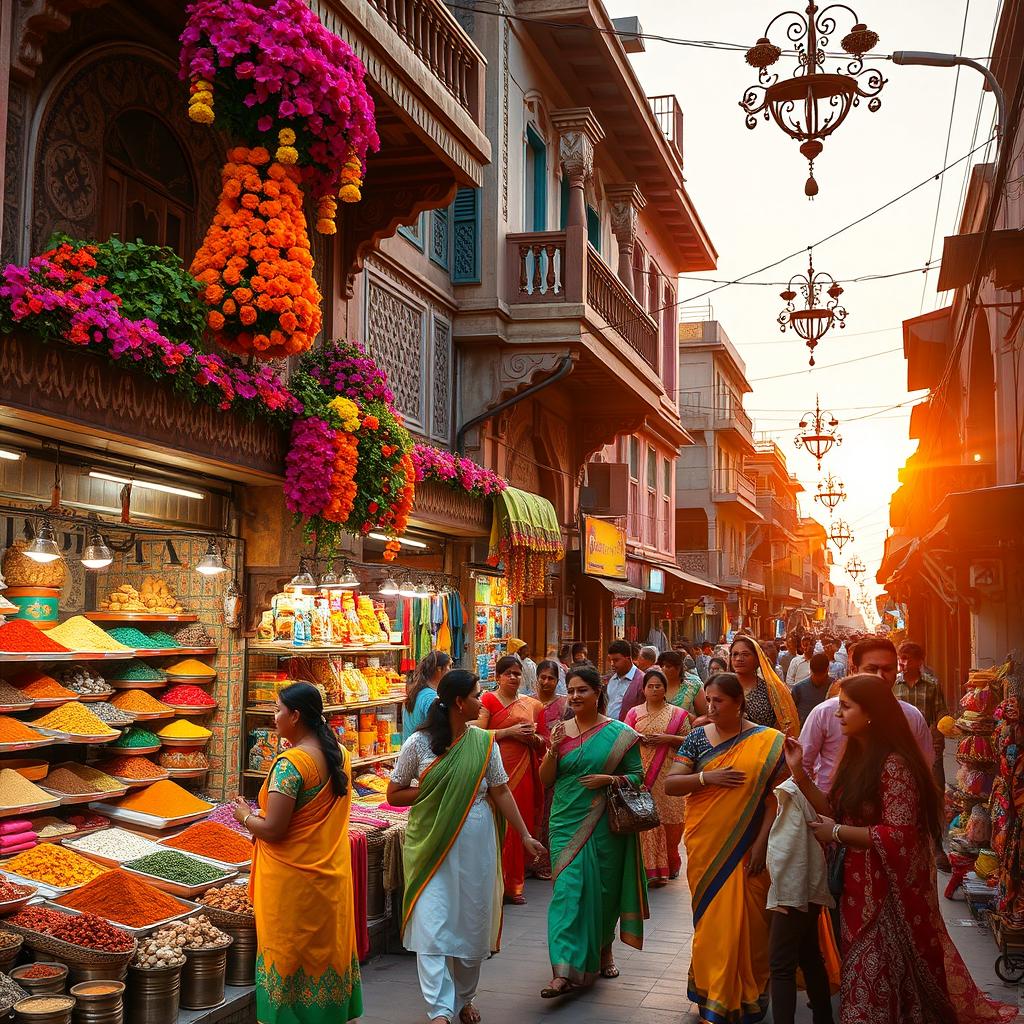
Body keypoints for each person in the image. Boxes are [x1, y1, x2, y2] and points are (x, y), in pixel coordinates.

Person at [783, 674, 1017, 1024]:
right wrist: (799, 773)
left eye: (846, 707)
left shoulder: (893, 764)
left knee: (874, 972)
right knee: (864, 971)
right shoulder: (856, 757)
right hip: (856, 887)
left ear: (872, 713)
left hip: (886, 894)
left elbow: (900, 835)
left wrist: (836, 833)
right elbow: (833, 809)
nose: (838, 715)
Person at [387, 671, 544, 1024]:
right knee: (432, 924)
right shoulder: (419, 744)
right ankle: (440, 1010)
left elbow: (500, 790)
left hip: (476, 843)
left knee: (471, 925)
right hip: (430, 842)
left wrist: (524, 835)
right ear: (459, 702)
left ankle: (463, 998)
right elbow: (394, 794)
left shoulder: (482, 742)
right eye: (476, 694)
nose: (481, 699)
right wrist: (439, 790)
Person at [237, 682, 362, 1024]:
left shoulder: (291, 765)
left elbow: (274, 829)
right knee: (325, 954)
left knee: (287, 958)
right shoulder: (339, 753)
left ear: (294, 716)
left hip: (291, 886)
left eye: (277, 710)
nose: (273, 717)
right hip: (329, 880)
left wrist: (245, 817)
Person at [666, 673, 786, 1024]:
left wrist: (761, 844)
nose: (711, 707)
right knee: (712, 924)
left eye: (719, 701)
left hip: (750, 847)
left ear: (738, 703)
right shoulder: (697, 739)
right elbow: (673, 784)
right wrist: (706, 778)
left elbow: (775, 800)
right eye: (709, 699)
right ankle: (713, 994)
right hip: (708, 847)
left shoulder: (770, 742)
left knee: (751, 925)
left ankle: (748, 994)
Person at [539, 665, 648, 996]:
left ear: (598, 692)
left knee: (602, 894)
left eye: (582, 690)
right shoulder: (560, 732)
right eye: (570, 690)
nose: (574, 696)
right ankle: (563, 969)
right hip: (565, 821)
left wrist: (609, 780)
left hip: (605, 825)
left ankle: (604, 948)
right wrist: (552, 749)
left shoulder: (619, 733)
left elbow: (638, 776)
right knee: (567, 894)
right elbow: (546, 781)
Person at [799, 636, 933, 796]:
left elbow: (925, 769)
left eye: (887, 669)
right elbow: (803, 765)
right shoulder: (825, 713)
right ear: (854, 670)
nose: (879, 676)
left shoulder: (912, 717)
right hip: (828, 810)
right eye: (871, 669)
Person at [477, 655, 544, 905]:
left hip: (524, 769)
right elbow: (478, 734)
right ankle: (495, 883)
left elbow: (544, 741)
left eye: (517, 673)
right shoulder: (487, 700)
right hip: (497, 770)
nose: (514, 678)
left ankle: (514, 884)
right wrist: (509, 732)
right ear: (498, 677)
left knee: (520, 824)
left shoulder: (532, 705)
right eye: (509, 674)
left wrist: (533, 739)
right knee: (497, 825)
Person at [624, 668, 691, 886]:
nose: (654, 689)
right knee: (646, 821)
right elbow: (624, 741)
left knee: (672, 821)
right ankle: (649, 869)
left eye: (658, 686)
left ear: (665, 690)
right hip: (641, 775)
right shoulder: (634, 713)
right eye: (650, 686)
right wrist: (639, 739)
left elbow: (689, 742)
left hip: (668, 773)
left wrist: (668, 739)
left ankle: (671, 861)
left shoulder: (678, 714)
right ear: (643, 689)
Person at [532, 658, 570, 880]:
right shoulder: (527, 702)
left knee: (550, 812)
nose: (546, 682)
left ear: (557, 681)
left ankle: (546, 861)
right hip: (529, 765)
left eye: (551, 678)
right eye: (543, 677)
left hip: (555, 765)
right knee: (532, 810)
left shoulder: (565, 705)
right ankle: (530, 860)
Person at [894, 640, 948, 793]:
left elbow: (940, 711)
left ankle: (937, 810)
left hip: (928, 739)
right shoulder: (893, 684)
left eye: (908, 658)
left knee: (934, 780)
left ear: (920, 661)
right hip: (901, 740)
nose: (904, 662)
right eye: (902, 658)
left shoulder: (932, 684)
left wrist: (939, 735)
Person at [729, 634, 800, 737]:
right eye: (735, 654)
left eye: (745, 654)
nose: (739, 658)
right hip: (729, 748)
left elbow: (785, 724)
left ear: (758, 659)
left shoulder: (771, 690)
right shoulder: (723, 686)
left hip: (764, 746)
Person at [403, 652, 452, 742]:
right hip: (422, 750)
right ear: (439, 669)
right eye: (449, 666)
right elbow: (440, 729)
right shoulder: (430, 697)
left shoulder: (418, 692)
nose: (450, 670)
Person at [656, 650, 709, 717]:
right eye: (662, 666)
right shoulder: (655, 686)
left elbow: (704, 715)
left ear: (678, 668)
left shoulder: (693, 687)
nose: (664, 669)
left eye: (668, 666)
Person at [606, 639, 643, 721]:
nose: (612, 664)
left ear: (628, 659)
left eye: (616, 660)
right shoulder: (612, 680)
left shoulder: (642, 681)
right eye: (611, 660)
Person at [792, 653, 833, 725]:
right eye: (816, 676)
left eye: (821, 676)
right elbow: (791, 712)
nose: (819, 679)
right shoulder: (798, 689)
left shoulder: (835, 687)